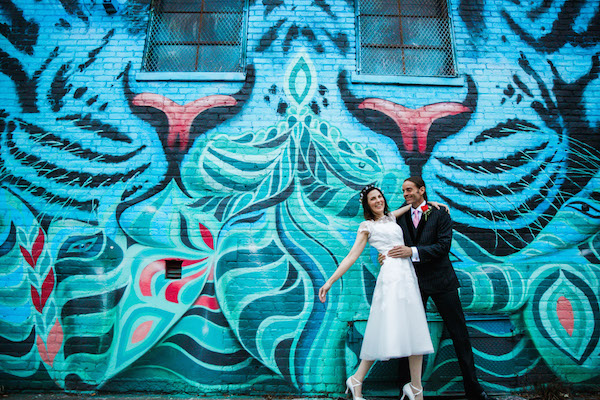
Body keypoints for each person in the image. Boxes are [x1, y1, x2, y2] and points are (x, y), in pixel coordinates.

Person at [319, 185, 444, 400]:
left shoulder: (391, 218)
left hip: (408, 277)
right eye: (372, 199)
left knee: (415, 331)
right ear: (367, 205)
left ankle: (416, 389)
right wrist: (330, 281)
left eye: (379, 197)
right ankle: (357, 379)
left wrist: (428, 203)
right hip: (391, 280)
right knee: (384, 331)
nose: (378, 201)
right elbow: (351, 257)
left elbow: (411, 205)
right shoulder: (367, 226)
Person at [381, 176, 492, 400]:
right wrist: (383, 256)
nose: (406, 194)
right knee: (409, 335)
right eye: (403, 191)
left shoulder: (441, 214)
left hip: (442, 281)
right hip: (412, 283)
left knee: (459, 334)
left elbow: (443, 246)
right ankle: (406, 389)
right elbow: (384, 235)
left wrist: (411, 251)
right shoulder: (400, 217)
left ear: (422, 190)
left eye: (410, 190)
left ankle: (474, 390)